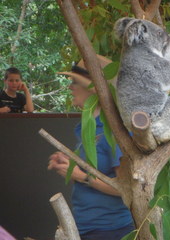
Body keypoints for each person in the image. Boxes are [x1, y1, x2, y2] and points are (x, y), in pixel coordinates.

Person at [48, 55, 134, 240]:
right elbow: (94, 167)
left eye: (75, 82)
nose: (70, 86)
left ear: (94, 89)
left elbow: (126, 189)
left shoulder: (115, 130)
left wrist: (81, 176)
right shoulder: (87, 127)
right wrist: (70, 165)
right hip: (86, 226)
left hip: (110, 230)